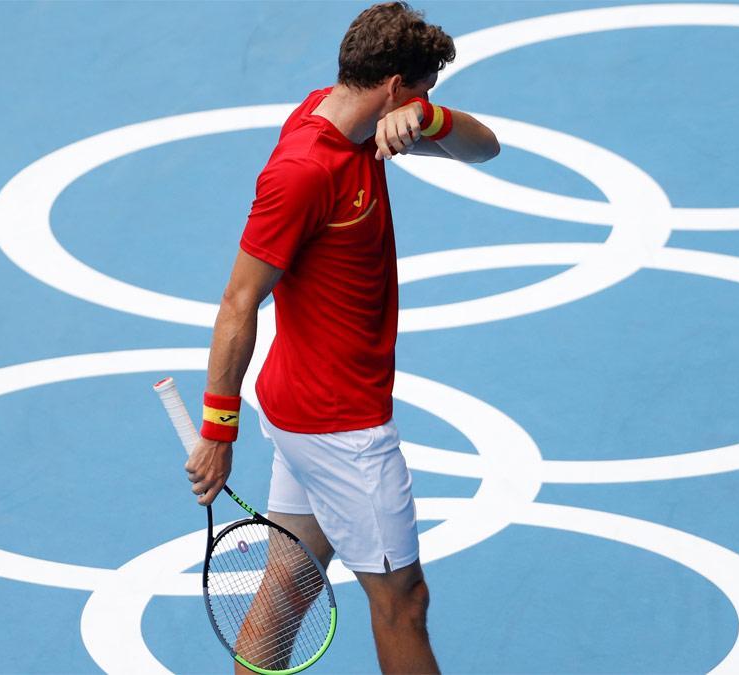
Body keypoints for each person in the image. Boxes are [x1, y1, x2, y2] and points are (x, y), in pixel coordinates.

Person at [182, 3, 500, 673]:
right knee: (403, 601)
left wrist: (429, 119)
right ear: (391, 85)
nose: (427, 103)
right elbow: (239, 301)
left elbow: (485, 146)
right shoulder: (304, 170)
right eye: (422, 92)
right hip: (340, 426)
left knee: (291, 583)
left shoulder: (337, 112)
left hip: (304, 410)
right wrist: (217, 429)